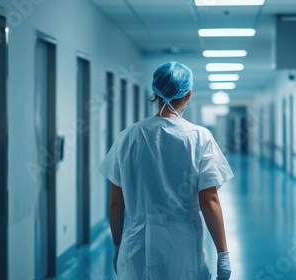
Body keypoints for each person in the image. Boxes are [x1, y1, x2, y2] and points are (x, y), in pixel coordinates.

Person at [99, 61, 234, 280]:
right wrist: (223, 255)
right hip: (185, 250)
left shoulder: (128, 137)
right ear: (188, 95)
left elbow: (116, 203)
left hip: (138, 247)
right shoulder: (200, 138)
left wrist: (117, 246)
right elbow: (209, 200)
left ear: (155, 93)